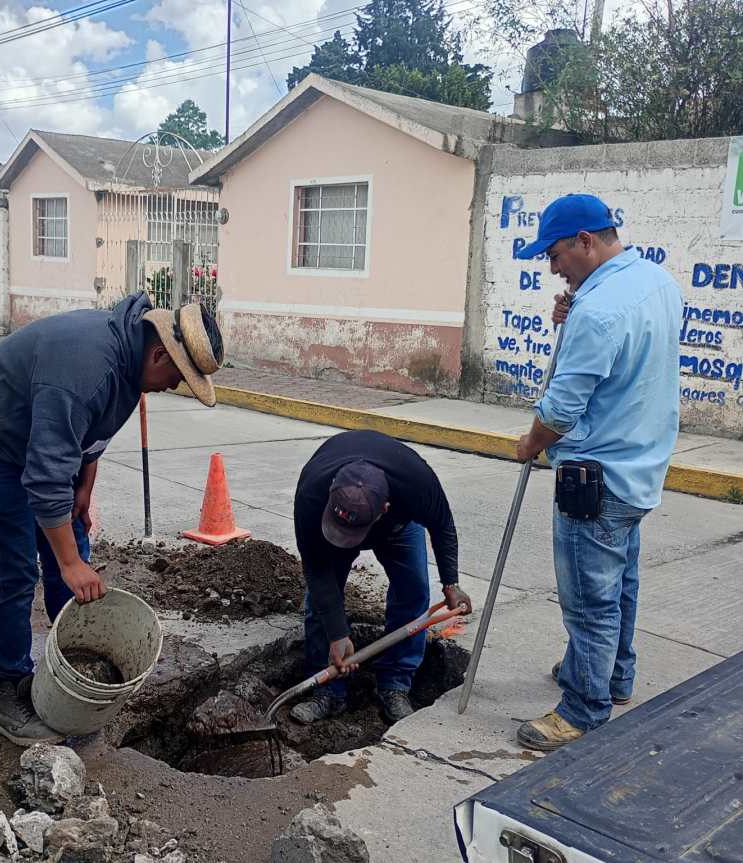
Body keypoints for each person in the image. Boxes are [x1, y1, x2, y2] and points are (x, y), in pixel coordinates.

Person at [0, 292, 224, 745]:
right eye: (178, 376)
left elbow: (90, 438)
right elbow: (45, 476)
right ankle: (8, 693)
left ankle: (68, 656)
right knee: (12, 568)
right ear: (158, 353)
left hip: (36, 442)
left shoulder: (130, 367)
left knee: (69, 537)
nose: (175, 386)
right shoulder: (88, 367)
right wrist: (71, 563)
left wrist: (84, 491)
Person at [512, 194, 682, 751]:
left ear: (586, 241)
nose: (552, 267)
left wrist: (529, 444)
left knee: (589, 599)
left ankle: (583, 710)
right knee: (622, 581)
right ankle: (615, 677)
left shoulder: (599, 309)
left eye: (557, 254)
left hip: (596, 478)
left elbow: (561, 409)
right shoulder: (656, 283)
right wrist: (576, 308)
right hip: (641, 466)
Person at [291, 430, 472, 724]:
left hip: (397, 529)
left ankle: (395, 685)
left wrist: (450, 583)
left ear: (383, 509)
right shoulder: (312, 491)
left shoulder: (417, 484)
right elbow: (317, 570)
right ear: (331, 491)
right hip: (327, 526)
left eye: (352, 535)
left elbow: (442, 526)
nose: (346, 541)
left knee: (413, 592)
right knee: (321, 603)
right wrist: (338, 634)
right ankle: (327, 690)